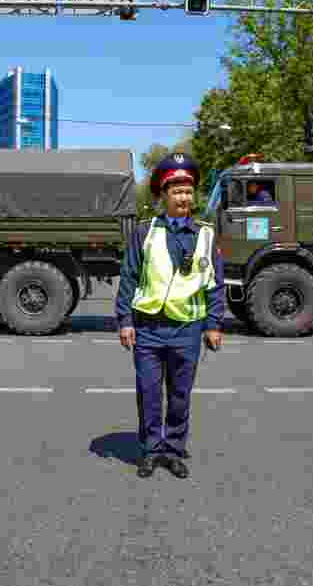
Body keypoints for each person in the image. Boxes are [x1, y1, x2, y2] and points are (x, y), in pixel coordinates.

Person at [115, 152, 225, 479]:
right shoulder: (145, 232)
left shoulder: (205, 234)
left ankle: (174, 449)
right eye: (176, 191)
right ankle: (150, 450)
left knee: (179, 395)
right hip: (148, 328)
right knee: (149, 392)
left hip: (187, 330)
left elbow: (214, 283)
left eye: (188, 191)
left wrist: (214, 324)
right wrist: (125, 320)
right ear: (163, 196)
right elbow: (130, 276)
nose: (183, 197)